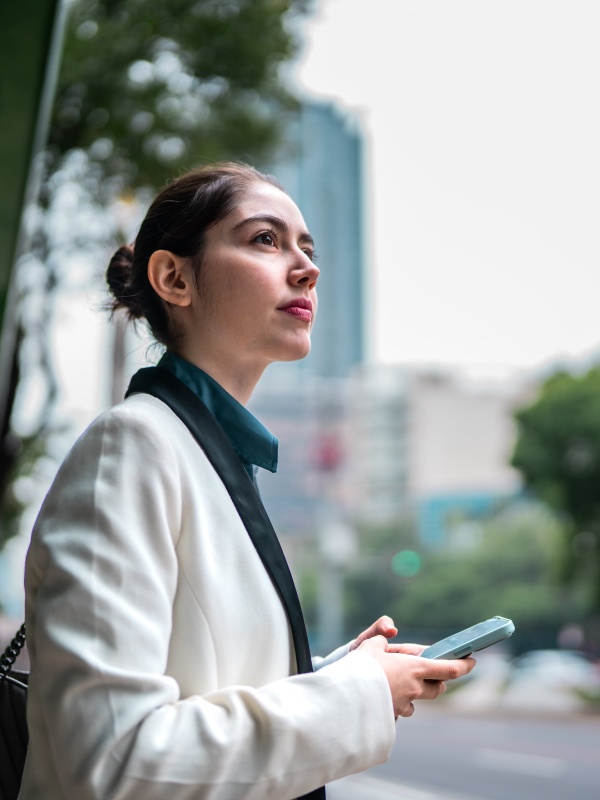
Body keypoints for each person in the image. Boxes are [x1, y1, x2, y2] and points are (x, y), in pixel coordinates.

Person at [18, 163, 475, 800]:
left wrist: (340, 675)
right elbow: (112, 761)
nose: (307, 269)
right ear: (175, 278)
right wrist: (357, 693)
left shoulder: (208, 453)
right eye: (265, 239)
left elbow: (206, 683)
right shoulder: (132, 447)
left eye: (308, 249)